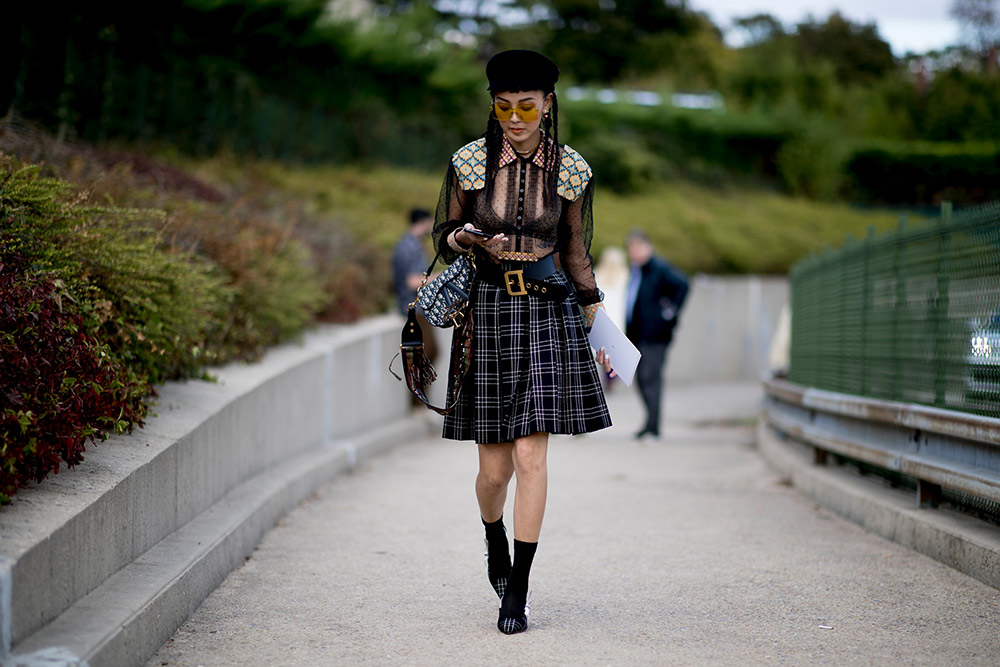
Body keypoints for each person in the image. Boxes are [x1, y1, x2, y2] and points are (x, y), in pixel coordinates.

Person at [432, 49, 614, 635]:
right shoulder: (469, 163)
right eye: (503, 106)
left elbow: (574, 250)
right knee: (494, 472)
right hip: (485, 313)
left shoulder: (571, 170)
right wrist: (462, 236)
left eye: (527, 107)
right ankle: (494, 538)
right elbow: (444, 232)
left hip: (545, 311)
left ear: (547, 104)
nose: (515, 118)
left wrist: (597, 318)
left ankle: (519, 591)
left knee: (532, 455)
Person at [624, 228, 689, 439]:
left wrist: (669, 313)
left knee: (650, 377)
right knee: (641, 379)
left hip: (655, 335)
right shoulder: (635, 270)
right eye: (631, 248)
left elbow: (683, 284)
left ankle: (654, 427)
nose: (634, 252)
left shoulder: (659, 267)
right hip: (638, 334)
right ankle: (649, 423)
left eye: (638, 247)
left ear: (648, 247)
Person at [392, 208, 438, 394]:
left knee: (428, 353)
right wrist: (441, 277)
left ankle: (421, 398)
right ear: (423, 222)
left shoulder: (409, 244)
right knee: (428, 353)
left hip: (418, 308)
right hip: (413, 309)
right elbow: (412, 281)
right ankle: (419, 399)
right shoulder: (409, 246)